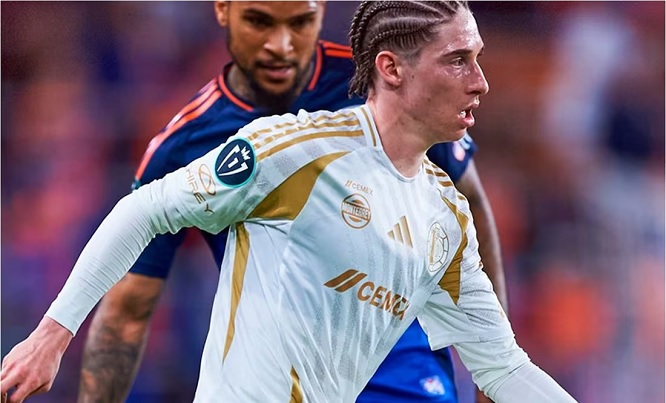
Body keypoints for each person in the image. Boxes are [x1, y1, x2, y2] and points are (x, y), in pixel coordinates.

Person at [0, 1, 576, 402]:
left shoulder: (445, 215)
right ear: (391, 70)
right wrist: (52, 334)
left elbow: (504, 366)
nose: (481, 81)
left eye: (477, 59)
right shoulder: (290, 149)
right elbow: (144, 209)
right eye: (458, 60)